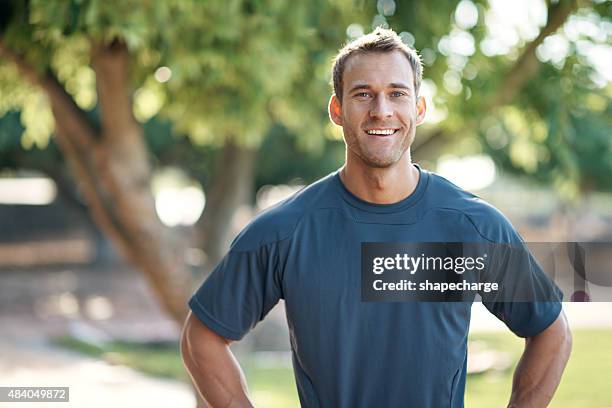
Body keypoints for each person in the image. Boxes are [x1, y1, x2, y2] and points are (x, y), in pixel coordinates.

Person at [181, 28, 572, 408]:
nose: (381, 110)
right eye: (363, 94)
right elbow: (202, 337)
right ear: (337, 109)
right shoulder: (285, 231)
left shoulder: (473, 227)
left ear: (419, 108)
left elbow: (551, 331)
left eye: (397, 94)